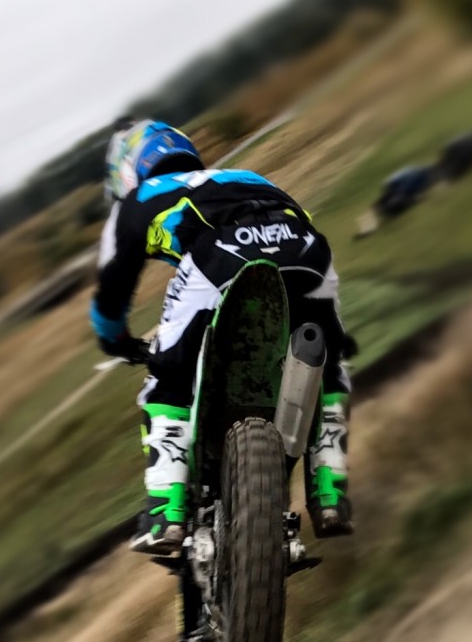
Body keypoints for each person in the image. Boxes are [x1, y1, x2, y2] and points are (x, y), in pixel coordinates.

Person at [91, 119, 355, 554]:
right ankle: (330, 492)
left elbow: (111, 290)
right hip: (307, 251)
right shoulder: (246, 176)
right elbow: (301, 219)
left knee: (167, 376)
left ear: (127, 169)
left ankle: (166, 510)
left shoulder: (139, 199)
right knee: (330, 363)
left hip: (220, 257)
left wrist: (115, 340)